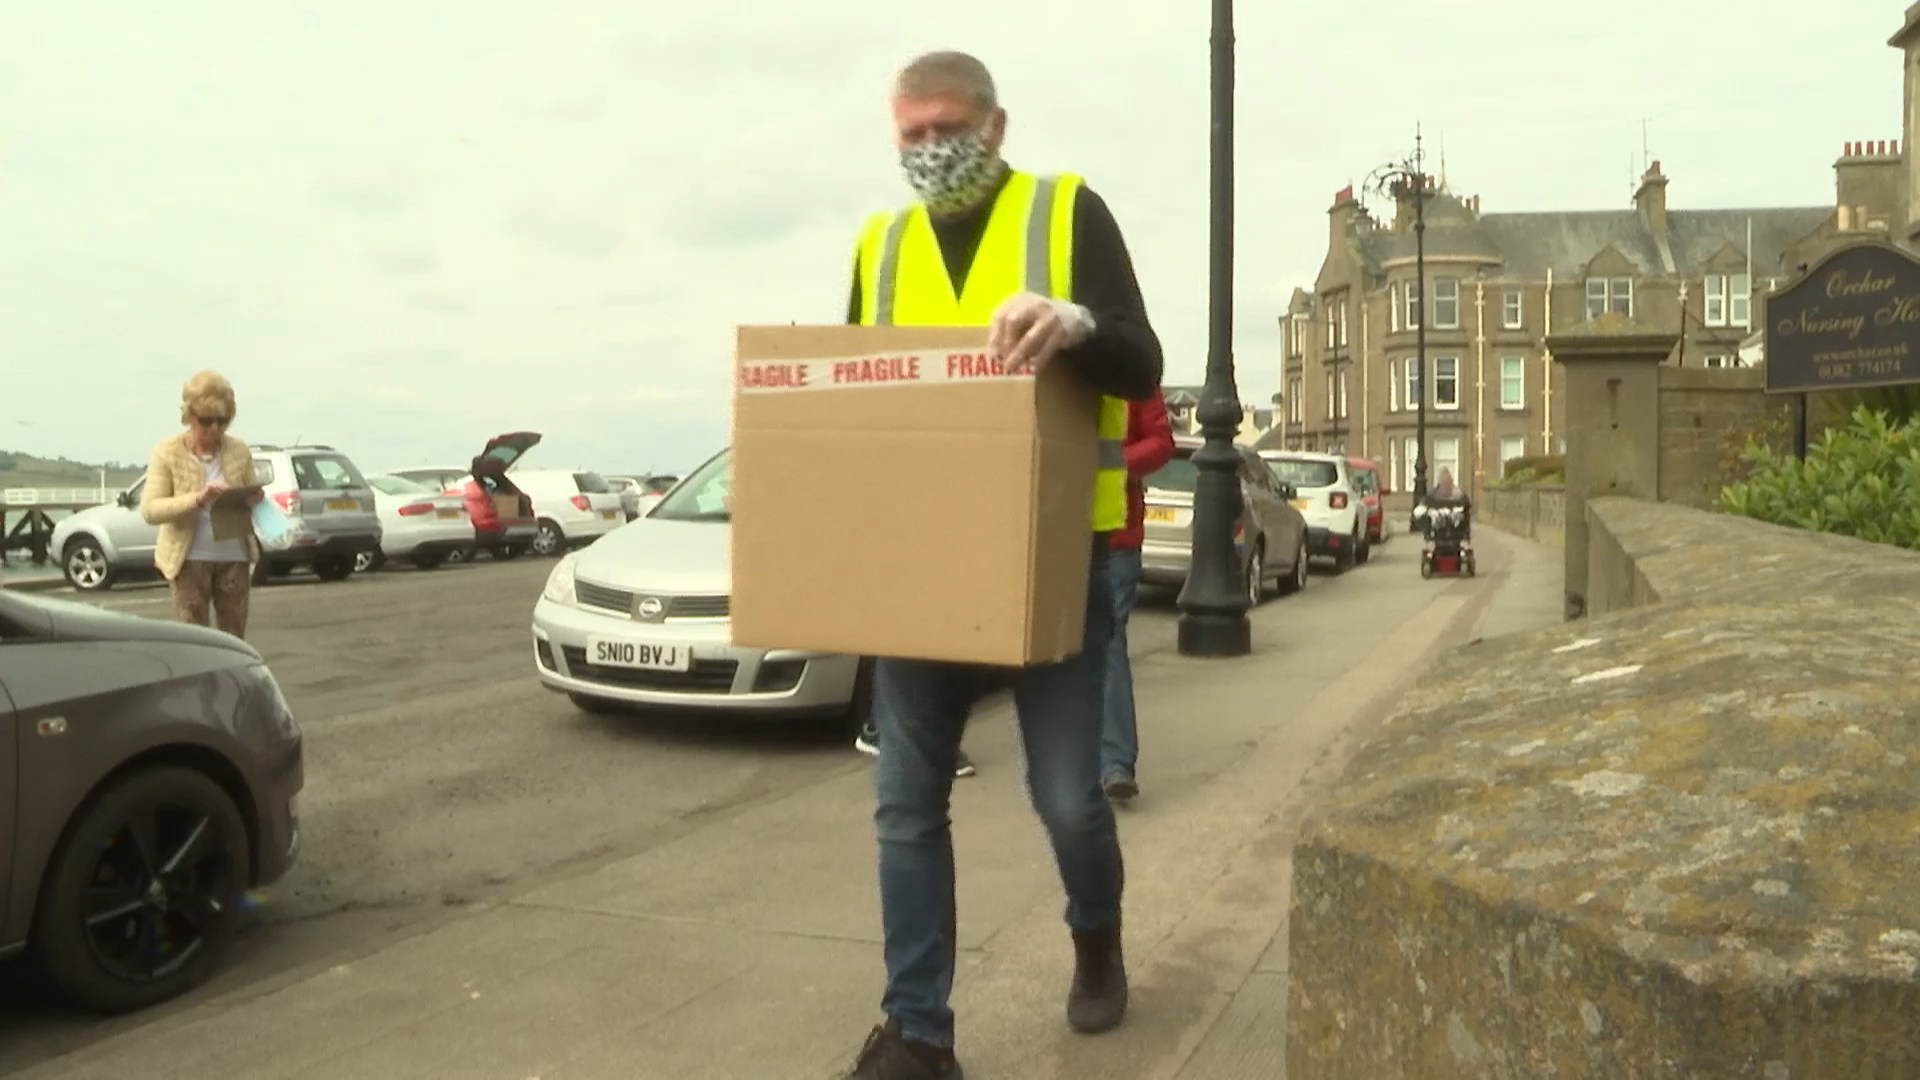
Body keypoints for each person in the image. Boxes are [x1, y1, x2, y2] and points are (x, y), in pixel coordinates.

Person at [839, 51, 1164, 1080]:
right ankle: (918, 1033)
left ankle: (1096, 932)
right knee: (904, 801)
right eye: (911, 135)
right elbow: (856, 400)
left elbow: (1142, 359)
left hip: (1057, 561)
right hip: (928, 567)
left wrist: (1072, 326)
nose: (930, 151)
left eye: (949, 130)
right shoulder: (878, 244)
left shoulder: (1067, 213)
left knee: (1069, 796)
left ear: (995, 126)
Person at [140, 369, 264, 637]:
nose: (215, 429)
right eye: (206, 421)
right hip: (188, 559)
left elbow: (250, 500)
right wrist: (197, 499)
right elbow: (150, 510)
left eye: (223, 421)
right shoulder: (167, 451)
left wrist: (253, 500)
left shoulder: (240, 451)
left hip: (235, 557)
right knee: (195, 639)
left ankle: (232, 680)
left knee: (234, 638)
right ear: (189, 416)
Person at [1099, 388, 1175, 803]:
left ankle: (1114, 765)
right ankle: (1078, 763)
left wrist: (1111, 466)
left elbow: (1161, 442)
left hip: (1115, 536)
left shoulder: (1132, 371)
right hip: (1055, 532)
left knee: (1108, 644)